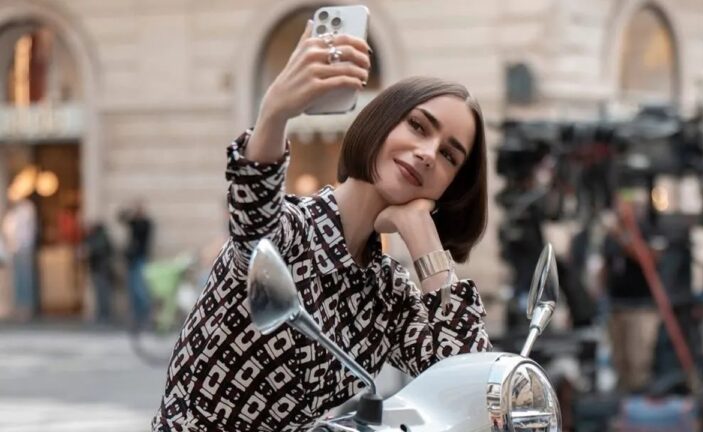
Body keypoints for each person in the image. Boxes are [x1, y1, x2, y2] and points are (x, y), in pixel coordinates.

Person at [152, 21, 490, 431]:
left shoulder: (387, 291)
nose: (426, 153)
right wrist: (276, 110)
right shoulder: (291, 229)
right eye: (418, 126)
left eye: (449, 156)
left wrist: (422, 234)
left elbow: (467, 384)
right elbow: (253, 217)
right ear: (382, 122)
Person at [602, 191, 660, 393]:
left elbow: (649, 259)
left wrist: (624, 238)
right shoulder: (611, 235)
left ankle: (640, 403)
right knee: (620, 360)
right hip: (617, 304)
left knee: (639, 360)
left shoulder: (643, 230)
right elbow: (606, 266)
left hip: (641, 306)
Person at [1, 197, 38, 321]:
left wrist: (23, 245)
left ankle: (25, 309)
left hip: (22, 249)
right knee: (16, 282)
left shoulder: (25, 210)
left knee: (24, 281)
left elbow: (25, 232)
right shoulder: (12, 214)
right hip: (14, 250)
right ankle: (17, 308)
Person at [119, 200, 153, 326]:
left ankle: (145, 316)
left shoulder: (145, 223)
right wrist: (129, 211)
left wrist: (135, 216)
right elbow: (121, 218)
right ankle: (136, 317)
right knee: (132, 289)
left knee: (140, 289)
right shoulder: (134, 222)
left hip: (140, 259)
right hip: (132, 260)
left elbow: (140, 230)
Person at [84, 221, 115, 323]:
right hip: (98, 269)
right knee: (100, 293)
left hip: (102, 270)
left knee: (102, 293)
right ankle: (102, 314)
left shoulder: (100, 238)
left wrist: (88, 250)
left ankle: (104, 315)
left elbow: (97, 250)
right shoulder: (95, 238)